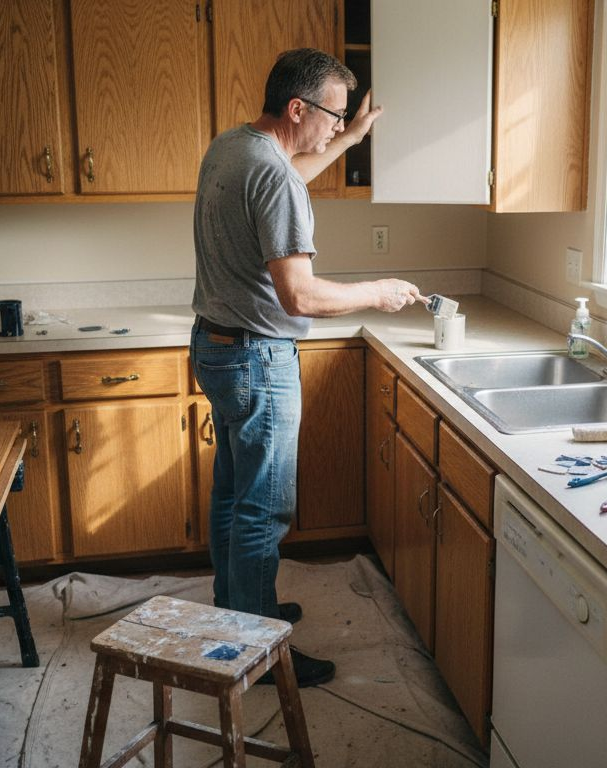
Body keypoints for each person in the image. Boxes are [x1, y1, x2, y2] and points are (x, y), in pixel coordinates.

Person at [189, 48, 422, 688]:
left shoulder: (233, 148)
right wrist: (378, 292)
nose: (334, 127)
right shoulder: (277, 178)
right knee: (262, 510)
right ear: (299, 108)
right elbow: (302, 296)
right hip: (258, 358)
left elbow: (292, 168)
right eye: (332, 115)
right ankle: (259, 654)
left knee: (234, 495)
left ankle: (238, 612)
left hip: (216, 346)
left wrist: (351, 137)